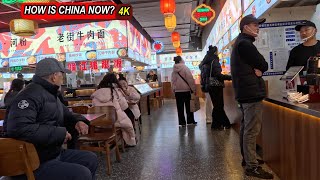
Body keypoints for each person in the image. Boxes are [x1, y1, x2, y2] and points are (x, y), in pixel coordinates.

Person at [4, 58, 98, 180]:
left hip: (50, 153)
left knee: (90, 159)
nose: (62, 78)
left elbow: (66, 113)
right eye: (61, 75)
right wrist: (59, 133)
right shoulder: (29, 95)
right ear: (54, 76)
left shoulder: (51, 94)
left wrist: (78, 121)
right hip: (33, 161)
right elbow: (19, 128)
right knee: (82, 174)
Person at [231, 14, 273, 179]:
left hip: (245, 92)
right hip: (251, 92)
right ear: (245, 26)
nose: (258, 28)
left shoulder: (240, 43)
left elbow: (259, 66)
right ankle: (252, 166)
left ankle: (248, 159)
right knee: (251, 130)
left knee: (246, 127)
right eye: (255, 25)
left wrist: (258, 69)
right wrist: (260, 69)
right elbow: (263, 64)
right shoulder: (245, 44)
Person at [91, 73, 136, 146]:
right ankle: (129, 142)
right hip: (115, 121)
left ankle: (108, 141)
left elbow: (93, 108)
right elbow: (124, 106)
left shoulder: (96, 94)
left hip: (99, 123)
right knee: (127, 124)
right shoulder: (116, 92)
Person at [200, 46, 232, 130]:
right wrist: (230, 77)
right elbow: (218, 75)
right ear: (215, 52)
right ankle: (216, 125)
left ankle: (224, 123)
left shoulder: (205, 61)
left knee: (217, 105)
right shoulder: (214, 60)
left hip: (210, 86)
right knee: (219, 105)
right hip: (216, 85)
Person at [171, 56, 197, 126]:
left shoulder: (174, 70)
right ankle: (190, 121)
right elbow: (190, 79)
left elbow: (173, 81)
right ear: (180, 60)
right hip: (186, 90)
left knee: (180, 108)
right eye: (182, 59)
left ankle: (182, 123)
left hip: (178, 92)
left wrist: (173, 90)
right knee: (189, 107)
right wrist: (193, 89)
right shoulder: (185, 68)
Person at [199, 51, 213, 124]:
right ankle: (209, 118)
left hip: (206, 86)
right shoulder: (208, 66)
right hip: (210, 85)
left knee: (208, 101)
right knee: (210, 102)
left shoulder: (203, 66)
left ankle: (209, 118)